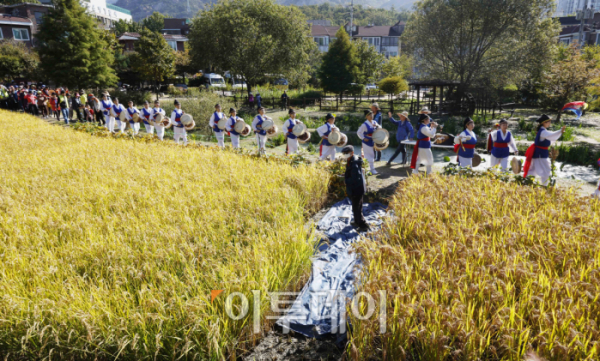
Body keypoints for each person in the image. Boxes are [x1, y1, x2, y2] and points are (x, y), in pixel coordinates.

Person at [523, 114, 565, 186]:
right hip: (540, 154)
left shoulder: (543, 131)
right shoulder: (543, 131)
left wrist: (560, 132)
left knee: (534, 169)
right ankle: (545, 185)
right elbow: (551, 135)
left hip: (540, 153)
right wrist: (560, 131)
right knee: (546, 169)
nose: (550, 123)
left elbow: (551, 138)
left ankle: (527, 181)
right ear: (544, 122)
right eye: (549, 121)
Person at [341, 145, 369, 231]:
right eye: (344, 153)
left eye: (346, 153)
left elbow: (355, 178)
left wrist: (346, 181)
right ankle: (357, 221)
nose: (345, 155)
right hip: (355, 188)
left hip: (357, 188)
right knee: (355, 206)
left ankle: (363, 225)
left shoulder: (354, 164)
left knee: (357, 208)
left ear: (352, 153)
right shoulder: (351, 160)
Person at [357, 110, 380, 175]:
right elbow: (359, 132)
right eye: (369, 115)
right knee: (368, 156)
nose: (371, 116)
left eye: (372, 114)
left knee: (372, 155)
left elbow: (380, 128)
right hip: (366, 142)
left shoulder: (374, 122)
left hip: (373, 141)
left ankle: (370, 169)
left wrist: (377, 126)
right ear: (366, 116)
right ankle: (370, 170)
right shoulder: (364, 124)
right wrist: (363, 138)